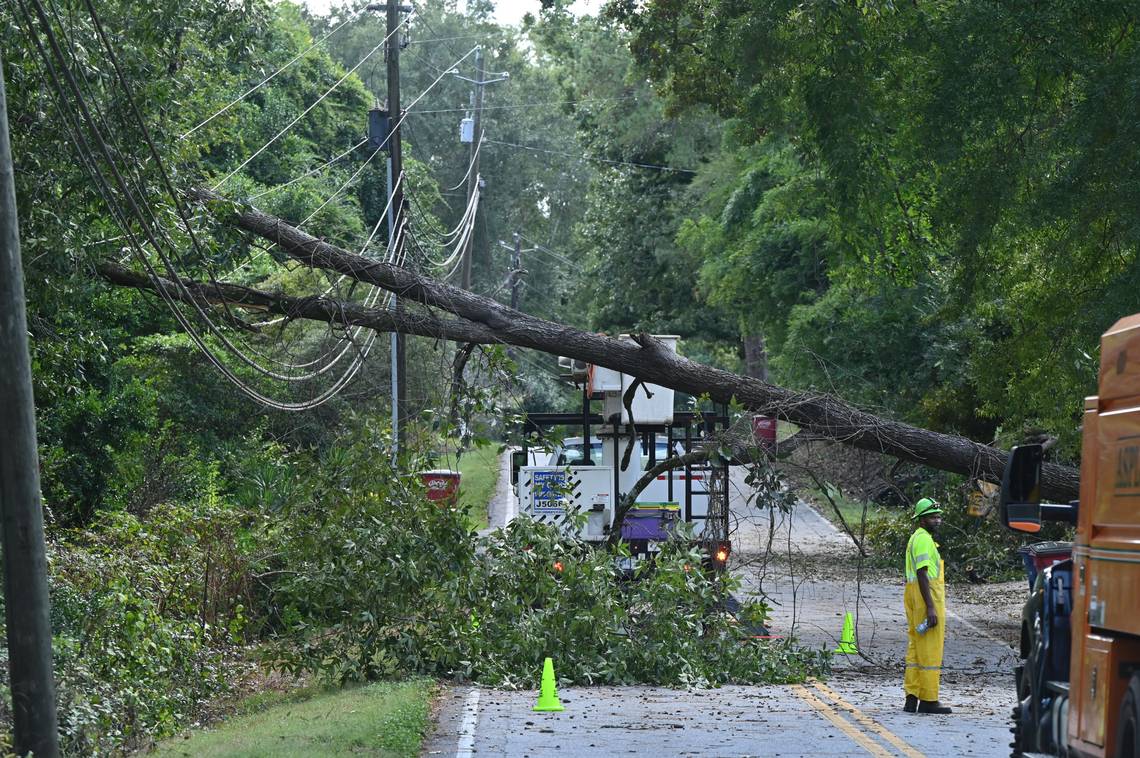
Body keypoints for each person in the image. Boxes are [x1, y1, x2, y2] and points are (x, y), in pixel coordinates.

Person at [903, 497, 952, 714]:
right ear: (921, 520)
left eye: (939, 516)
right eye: (933, 517)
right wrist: (931, 608)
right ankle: (929, 700)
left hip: (915, 595)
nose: (938, 520)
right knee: (931, 649)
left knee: (916, 648)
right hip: (926, 597)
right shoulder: (923, 539)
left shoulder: (918, 538)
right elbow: (922, 573)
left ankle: (912, 697)